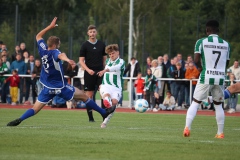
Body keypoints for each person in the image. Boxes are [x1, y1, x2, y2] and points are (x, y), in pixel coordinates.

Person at [6, 17, 115, 127]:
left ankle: (20, 119)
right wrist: (68, 60)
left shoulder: (43, 49)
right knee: (84, 96)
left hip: (47, 87)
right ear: (55, 45)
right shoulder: (55, 52)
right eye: (59, 44)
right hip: (60, 87)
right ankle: (103, 113)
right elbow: (60, 55)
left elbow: (38, 36)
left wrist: (50, 27)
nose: (59, 45)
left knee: (35, 108)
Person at [183, 20, 230, 139]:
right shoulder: (226, 44)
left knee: (195, 102)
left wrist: (201, 68)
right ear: (218, 30)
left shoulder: (201, 42)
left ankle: (187, 127)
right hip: (220, 77)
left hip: (206, 75)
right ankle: (220, 133)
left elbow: (197, 60)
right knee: (218, 105)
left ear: (207, 30)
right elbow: (226, 62)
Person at [79, 24, 107, 122]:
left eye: (94, 32)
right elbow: (81, 61)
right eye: (90, 32)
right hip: (89, 73)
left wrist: (103, 69)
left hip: (100, 73)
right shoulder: (84, 45)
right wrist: (88, 70)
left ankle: (105, 116)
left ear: (96, 33)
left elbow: (104, 58)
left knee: (103, 93)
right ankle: (91, 118)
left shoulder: (101, 44)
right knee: (89, 95)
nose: (92, 33)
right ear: (88, 33)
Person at [97, 44, 125, 128]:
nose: (111, 55)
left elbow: (116, 68)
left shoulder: (121, 62)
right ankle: (106, 101)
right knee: (106, 96)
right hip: (106, 85)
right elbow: (104, 74)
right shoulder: (108, 61)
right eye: (110, 54)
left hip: (116, 87)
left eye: (113, 53)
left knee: (114, 103)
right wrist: (101, 83)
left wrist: (105, 70)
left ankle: (105, 121)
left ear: (118, 53)